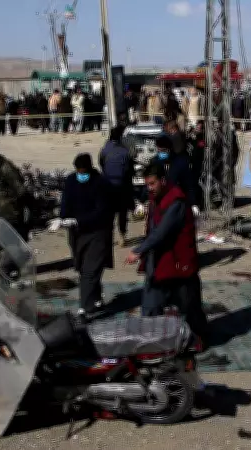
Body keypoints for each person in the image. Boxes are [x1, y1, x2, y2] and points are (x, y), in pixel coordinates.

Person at [125, 162, 208, 340]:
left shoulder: (176, 201)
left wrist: (139, 250)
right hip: (159, 260)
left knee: (189, 305)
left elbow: (161, 232)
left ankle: (197, 338)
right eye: (147, 184)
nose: (149, 188)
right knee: (151, 303)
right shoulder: (156, 198)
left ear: (162, 181)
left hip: (178, 261)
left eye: (152, 184)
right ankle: (153, 338)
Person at [59, 153, 114, 312]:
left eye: (83, 172)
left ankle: (85, 308)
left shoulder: (101, 184)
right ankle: (95, 298)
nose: (81, 175)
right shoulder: (71, 180)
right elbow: (66, 202)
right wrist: (62, 219)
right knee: (83, 268)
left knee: (90, 269)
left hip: (97, 232)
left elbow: (102, 211)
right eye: (78, 171)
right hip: (77, 234)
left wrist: (77, 220)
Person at [99, 124, 134, 246]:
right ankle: (122, 236)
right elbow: (130, 170)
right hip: (122, 185)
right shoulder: (125, 151)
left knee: (109, 213)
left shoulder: (105, 149)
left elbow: (101, 164)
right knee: (122, 212)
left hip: (108, 185)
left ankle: (107, 236)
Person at [153, 135, 198, 214]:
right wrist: (142, 201)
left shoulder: (181, 162)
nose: (161, 153)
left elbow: (189, 185)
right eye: (159, 151)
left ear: (169, 149)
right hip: (160, 202)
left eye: (163, 150)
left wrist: (193, 203)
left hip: (177, 201)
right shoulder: (155, 162)